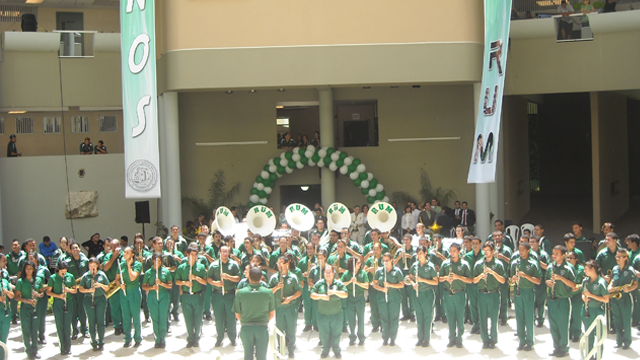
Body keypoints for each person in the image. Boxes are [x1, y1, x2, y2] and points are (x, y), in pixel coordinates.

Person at [234, 266, 276, 360]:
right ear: (261, 277)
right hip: (262, 327)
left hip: (246, 327)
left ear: (248, 276)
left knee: (247, 356)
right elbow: (272, 314)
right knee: (262, 356)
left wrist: (246, 321)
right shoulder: (269, 292)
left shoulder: (240, 293)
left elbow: (237, 314)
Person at [473, 241, 506, 349]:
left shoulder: (498, 264)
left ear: (493, 251)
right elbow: (474, 280)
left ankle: (493, 339)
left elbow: (503, 280)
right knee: (482, 317)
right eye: (485, 250)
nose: (486, 252)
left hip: (494, 294)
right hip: (482, 293)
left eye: (488, 250)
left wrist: (493, 273)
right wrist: (480, 276)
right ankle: (485, 339)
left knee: (494, 318)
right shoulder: (479, 264)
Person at [545, 245, 576, 358]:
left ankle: (564, 348)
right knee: (553, 325)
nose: (554, 256)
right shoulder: (550, 267)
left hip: (563, 300)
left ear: (564, 255)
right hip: (552, 300)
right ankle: (556, 347)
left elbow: (573, 285)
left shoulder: (568, 268)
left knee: (563, 325)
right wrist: (549, 282)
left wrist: (561, 278)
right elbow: (547, 279)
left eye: (557, 254)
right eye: (553, 253)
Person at [439, 243, 472, 348]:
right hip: (448, 292)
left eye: (454, 251)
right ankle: (451, 338)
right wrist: (446, 278)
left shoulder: (464, 264)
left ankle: (459, 338)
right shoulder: (445, 264)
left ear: (459, 252)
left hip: (459, 293)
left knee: (460, 317)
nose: (452, 253)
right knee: (450, 317)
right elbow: (439, 278)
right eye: (451, 251)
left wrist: (458, 277)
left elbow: (470, 280)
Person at [311, 265, 348, 359]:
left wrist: (334, 292)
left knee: (336, 334)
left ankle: (336, 351)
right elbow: (312, 295)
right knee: (324, 334)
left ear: (333, 273)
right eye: (326, 272)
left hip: (336, 315)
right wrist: (322, 296)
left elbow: (345, 294)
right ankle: (325, 350)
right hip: (323, 315)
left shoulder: (338, 284)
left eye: (329, 272)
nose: (327, 274)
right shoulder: (319, 283)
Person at [511, 242, 542, 351]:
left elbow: (538, 281)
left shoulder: (533, 263)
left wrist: (526, 276)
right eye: (519, 249)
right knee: (519, 317)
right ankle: (521, 340)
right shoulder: (515, 263)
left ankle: (530, 341)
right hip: (518, 291)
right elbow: (510, 280)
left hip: (528, 291)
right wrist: (513, 280)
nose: (521, 252)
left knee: (529, 317)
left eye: (523, 250)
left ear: (528, 251)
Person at [175, 243, 207, 348]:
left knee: (198, 319)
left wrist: (196, 278)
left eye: (195, 254)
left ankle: (197, 338)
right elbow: (177, 281)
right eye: (192, 254)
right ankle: (190, 338)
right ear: (187, 255)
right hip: (186, 296)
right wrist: (185, 283)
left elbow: (205, 282)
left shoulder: (201, 267)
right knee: (188, 319)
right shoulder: (182, 267)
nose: (194, 257)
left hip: (198, 295)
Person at [269, 255, 302, 357]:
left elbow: (299, 291)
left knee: (291, 329)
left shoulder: (293, 277)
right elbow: (268, 291)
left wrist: (290, 298)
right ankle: (280, 348)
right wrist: (277, 287)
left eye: (282, 263)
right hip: (279, 307)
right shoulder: (274, 277)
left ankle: (291, 349)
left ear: (287, 264)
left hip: (290, 307)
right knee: (279, 329)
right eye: (278, 263)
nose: (279, 265)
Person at [208, 246, 241, 347]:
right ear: (219, 253)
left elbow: (238, 277)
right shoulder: (214, 265)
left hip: (229, 294)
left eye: (226, 252)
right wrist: (215, 283)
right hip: (217, 294)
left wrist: (228, 277)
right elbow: (208, 278)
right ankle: (219, 338)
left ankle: (233, 338)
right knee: (218, 317)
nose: (225, 254)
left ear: (229, 252)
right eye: (223, 252)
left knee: (231, 317)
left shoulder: (234, 264)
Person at [609, 248, 638, 349]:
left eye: (620, 257)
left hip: (625, 297)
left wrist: (629, 289)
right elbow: (613, 280)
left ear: (626, 258)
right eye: (617, 256)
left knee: (626, 320)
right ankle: (619, 341)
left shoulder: (630, 270)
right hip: (615, 297)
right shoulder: (615, 268)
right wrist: (610, 286)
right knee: (617, 320)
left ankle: (626, 341)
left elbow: (636, 283)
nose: (617, 258)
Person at [142, 252, 172, 348]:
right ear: (152, 261)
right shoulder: (148, 273)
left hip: (163, 295)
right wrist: (152, 287)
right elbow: (144, 286)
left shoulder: (165, 271)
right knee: (155, 318)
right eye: (155, 260)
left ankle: (162, 339)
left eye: (159, 261)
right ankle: (157, 338)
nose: (157, 262)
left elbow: (170, 285)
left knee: (163, 318)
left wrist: (162, 284)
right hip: (152, 296)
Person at [46, 261, 77, 355]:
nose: (64, 273)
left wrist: (68, 290)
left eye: (65, 271)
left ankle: (68, 347)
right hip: (58, 303)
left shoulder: (70, 276)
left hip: (69, 302)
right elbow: (48, 292)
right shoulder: (53, 278)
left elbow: (75, 290)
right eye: (62, 271)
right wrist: (58, 296)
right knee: (60, 325)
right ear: (58, 269)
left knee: (67, 325)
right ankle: (62, 348)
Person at [78, 257, 109, 351]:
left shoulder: (101, 274)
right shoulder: (86, 276)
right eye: (90, 266)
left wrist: (100, 285)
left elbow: (107, 287)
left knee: (100, 321)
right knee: (91, 321)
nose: (92, 268)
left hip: (100, 299)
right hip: (88, 299)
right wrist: (88, 290)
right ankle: (93, 341)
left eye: (94, 266)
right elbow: (80, 288)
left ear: (97, 266)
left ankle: (101, 341)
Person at [410, 245, 438, 347]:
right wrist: (413, 284)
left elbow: (436, 282)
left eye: (421, 253)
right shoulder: (415, 265)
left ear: (425, 254)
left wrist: (423, 280)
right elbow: (410, 277)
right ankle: (420, 338)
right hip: (418, 293)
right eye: (417, 254)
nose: (419, 255)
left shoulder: (430, 266)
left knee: (427, 317)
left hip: (427, 293)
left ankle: (427, 339)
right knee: (419, 316)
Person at [15, 260, 44, 359]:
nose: (28, 270)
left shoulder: (38, 280)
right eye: (27, 268)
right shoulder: (20, 281)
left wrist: (38, 295)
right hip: (25, 308)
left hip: (35, 308)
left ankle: (35, 350)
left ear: (33, 270)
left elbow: (41, 293)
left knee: (34, 330)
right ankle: (29, 350)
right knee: (26, 330)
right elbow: (16, 296)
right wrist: (26, 300)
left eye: (30, 269)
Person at [582, 260, 609, 359]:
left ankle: (598, 357)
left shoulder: (601, 282)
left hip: (597, 310)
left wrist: (591, 295)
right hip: (586, 310)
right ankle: (589, 356)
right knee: (588, 335)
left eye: (586, 269)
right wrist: (584, 297)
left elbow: (606, 299)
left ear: (592, 269)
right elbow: (583, 293)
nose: (584, 271)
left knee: (599, 336)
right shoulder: (585, 281)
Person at [119, 246, 143, 347]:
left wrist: (129, 266)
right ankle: (127, 338)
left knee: (136, 316)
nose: (125, 254)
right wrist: (119, 284)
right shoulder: (120, 265)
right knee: (126, 317)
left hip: (134, 292)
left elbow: (133, 277)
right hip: (124, 292)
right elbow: (117, 278)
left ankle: (138, 338)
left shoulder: (137, 264)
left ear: (133, 254)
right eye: (124, 252)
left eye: (127, 252)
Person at [341, 256, 368, 346]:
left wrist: (357, 282)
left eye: (360, 263)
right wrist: (350, 282)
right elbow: (341, 285)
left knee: (361, 319)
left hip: (359, 298)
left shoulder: (363, 273)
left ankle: (361, 337)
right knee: (351, 319)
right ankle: (352, 337)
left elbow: (366, 286)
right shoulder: (347, 274)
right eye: (358, 263)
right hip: (350, 298)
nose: (360, 264)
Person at [66, 241, 89, 339]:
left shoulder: (85, 260)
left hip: (82, 289)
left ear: (80, 249)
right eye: (73, 248)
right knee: (73, 311)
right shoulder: (67, 262)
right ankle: (75, 331)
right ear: (70, 251)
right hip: (72, 289)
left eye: (77, 248)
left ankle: (84, 330)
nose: (75, 249)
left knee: (82, 310)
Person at [102, 239, 124, 335]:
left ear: (119, 245)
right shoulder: (108, 256)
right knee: (114, 306)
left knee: (124, 305)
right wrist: (113, 258)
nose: (113, 249)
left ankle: (125, 325)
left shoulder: (124, 254)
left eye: (115, 246)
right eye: (111, 247)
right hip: (113, 284)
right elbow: (105, 268)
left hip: (123, 283)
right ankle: (117, 326)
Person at [464, 237, 484, 335]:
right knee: (472, 305)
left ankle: (480, 325)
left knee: (480, 305)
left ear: (480, 244)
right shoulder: (467, 256)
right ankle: (475, 324)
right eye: (473, 244)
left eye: (477, 243)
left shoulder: (484, 255)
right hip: (471, 283)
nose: (475, 245)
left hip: (481, 283)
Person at [530, 236, 550, 327]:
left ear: (538, 243)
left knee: (540, 301)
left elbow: (548, 267)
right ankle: (532, 318)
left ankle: (540, 319)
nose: (532, 244)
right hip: (530, 280)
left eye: (534, 242)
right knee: (531, 301)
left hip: (541, 281)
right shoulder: (528, 253)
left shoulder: (543, 254)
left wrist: (538, 261)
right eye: (531, 242)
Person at [298, 242, 317, 332]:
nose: (309, 250)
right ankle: (308, 324)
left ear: (314, 249)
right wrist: (303, 275)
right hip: (306, 285)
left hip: (315, 285)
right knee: (307, 305)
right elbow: (298, 274)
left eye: (311, 249)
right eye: (308, 249)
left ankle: (316, 324)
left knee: (315, 305)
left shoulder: (317, 260)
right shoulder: (302, 261)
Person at [566, 251, 585, 343]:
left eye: (571, 258)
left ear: (576, 259)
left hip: (577, 294)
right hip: (566, 293)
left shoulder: (580, 268)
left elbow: (577, 280)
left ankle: (577, 334)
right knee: (567, 315)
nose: (569, 260)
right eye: (567, 258)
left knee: (576, 315)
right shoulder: (565, 267)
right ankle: (569, 333)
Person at [0, 254, 14, 360]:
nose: (6, 263)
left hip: (5, 312)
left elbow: (12, 294)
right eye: (4, 261)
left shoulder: (4, 281)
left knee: (3, 338)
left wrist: (8, 293)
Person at [7, 239, 25, 324]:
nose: (14, 247)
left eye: (15, 245)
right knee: (14, 298)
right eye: (12, 245)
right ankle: (14, 317)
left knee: (25, 296)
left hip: (23, 279)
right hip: (13, 280)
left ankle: (24, 315)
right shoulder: (8, 257)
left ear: (19, 245)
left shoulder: (24, 255)